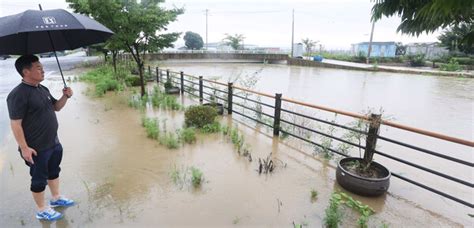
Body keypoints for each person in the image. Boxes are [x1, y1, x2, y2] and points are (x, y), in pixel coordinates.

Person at [6, 55, 74, 221]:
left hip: (53, 142)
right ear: (26, 71)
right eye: (38, 67)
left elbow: (56, 107)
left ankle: (56, 197)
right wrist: (24, 148)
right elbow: (15, 124)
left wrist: (65, 96)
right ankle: (42, 208)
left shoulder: (41, 88)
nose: (42, 70)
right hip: (36, 148)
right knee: (38, 178)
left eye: (41, 67)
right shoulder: (17, 95)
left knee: (53, 171)